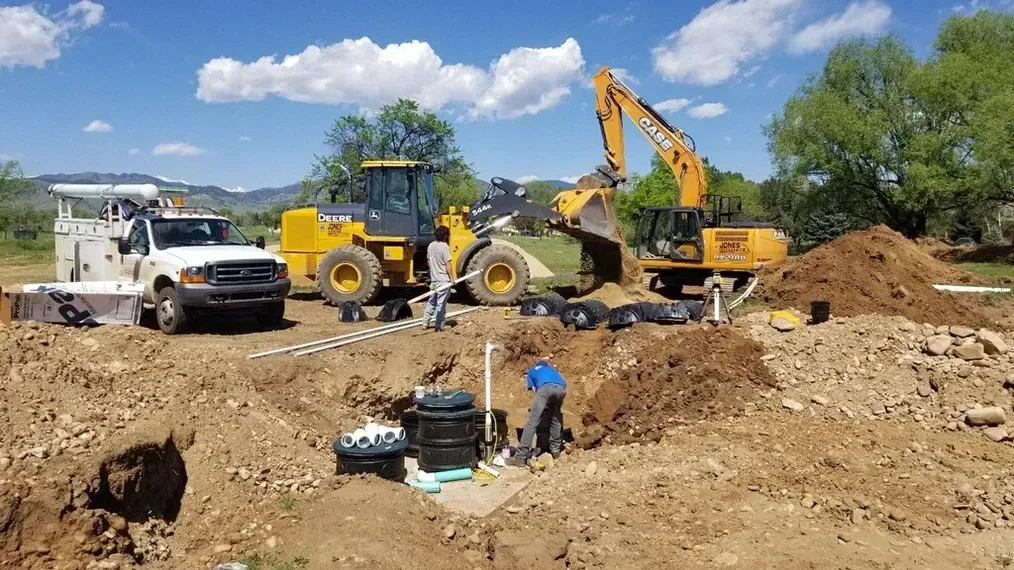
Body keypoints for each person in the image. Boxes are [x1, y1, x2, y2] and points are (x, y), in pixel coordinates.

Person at [507, 358, 567, 467]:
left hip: (545, 388)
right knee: (555, 419)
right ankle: (555, 451)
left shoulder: (532, 371)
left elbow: (535, 390)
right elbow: (562, 384)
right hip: (561, 389)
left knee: (532, 422)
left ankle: (520, 457)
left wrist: (542, 404)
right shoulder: (553, 370)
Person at [421, 225, 454, 332]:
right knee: (441, 303)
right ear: (445, 236)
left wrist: (433, 273)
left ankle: (425, 322)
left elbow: (429, 262)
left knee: (431, 302)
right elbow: (448, 264)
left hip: (434, 280)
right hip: (443, 280)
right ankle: (439, 325)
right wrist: (452, 278)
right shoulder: (445, 247)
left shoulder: (431, 246)